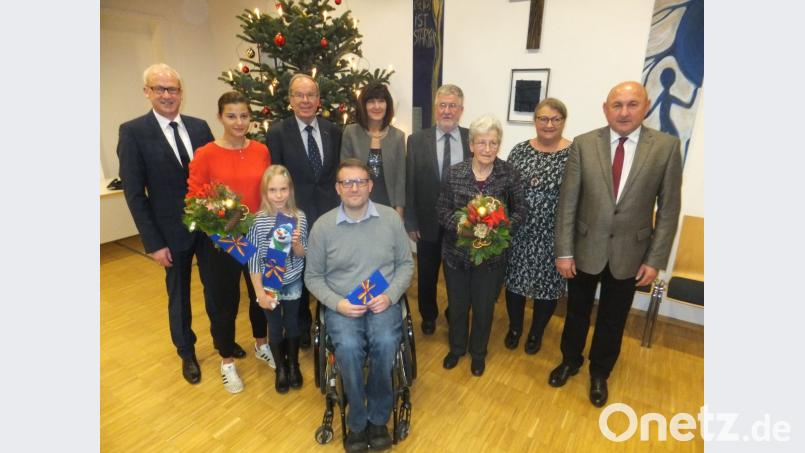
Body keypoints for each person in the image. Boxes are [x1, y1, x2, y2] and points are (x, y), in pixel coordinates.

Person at [550, 81, 682, 407]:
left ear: (646, 106)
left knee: (613, 317)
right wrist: (564, 250)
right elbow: (568, 202)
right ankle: (570, 360)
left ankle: (600, 372)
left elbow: (668, 210)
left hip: (631, 253)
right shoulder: (583, 144)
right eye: (617, 105)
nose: (624, 112)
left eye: (632, 104)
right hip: (583, 247)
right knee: (577, 311)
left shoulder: (665, 147)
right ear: (605, 109)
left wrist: (655, 259)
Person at [305, 159, 414, 453]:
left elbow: (405, 265)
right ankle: (356, 420)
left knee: (386, 340)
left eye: (360, 182)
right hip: (343, 305)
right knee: (350, 348)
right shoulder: (323, 226)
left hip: (382, 301)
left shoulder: (391, 219)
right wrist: (337, 304)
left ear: (370, 185)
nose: (354, 188)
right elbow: (312, 277)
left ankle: (378, 417)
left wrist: (390, 295)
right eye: (347, 183)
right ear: (338, 188)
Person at [117, 63, 215, 385]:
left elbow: (215, 176)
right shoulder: (133, 132)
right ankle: (186, 352)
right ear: (147, 92)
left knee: (216, 289)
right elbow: (134, 193)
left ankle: (223, 342)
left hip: (210, 228)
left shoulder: (200, 127)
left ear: (181, 92)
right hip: (170, 233)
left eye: (172, 88)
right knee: (179, 295)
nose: (167, 95)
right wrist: (154, 243)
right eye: (159, 89)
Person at [188, 91, 271, 393]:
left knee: (261, 295)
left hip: (256, 236)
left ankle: (262, 344)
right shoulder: (206, 153)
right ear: (220, 117)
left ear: (251, 117)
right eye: (231, 116)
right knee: (224, 303)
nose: (239, 122)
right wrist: (220, 233)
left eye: (244, 115)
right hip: (222, 242)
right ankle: (227, 361)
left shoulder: (261, 150)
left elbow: (268, 190)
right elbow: (195, 197)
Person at [436, 115, 527, 377]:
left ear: (499, 145)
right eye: (482, 142)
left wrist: (500, 228)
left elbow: (521, 210)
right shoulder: (454, 173)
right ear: (472, 144)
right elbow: (442, 209)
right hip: (456, 255)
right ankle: (456, 349)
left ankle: (478, 353)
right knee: (458, 304)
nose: (488, 149)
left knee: (484, 307)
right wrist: (462, 226)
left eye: (493, 143)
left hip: (492, 259)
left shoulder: (509, 174)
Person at [267, 73, 342, 349]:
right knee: (296, 273)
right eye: (299, 95)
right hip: (293, 215)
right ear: (290, 100)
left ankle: (330, 322)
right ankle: (300, 329)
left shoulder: (333, 130)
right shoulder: (277, 132)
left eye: (311, 95)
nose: (306, 100)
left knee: (328, 270)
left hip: (328, 214)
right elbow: (275, 176)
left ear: (319, 100)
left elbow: (336, 173)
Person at [504, 98, 573, 355]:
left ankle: (536, 333)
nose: (549, 124)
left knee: (547, 289)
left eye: (556, 119)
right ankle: (514, 328)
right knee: (515, 284)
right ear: (535, 121)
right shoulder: (519, 150)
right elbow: (506, 189)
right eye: (543, 118)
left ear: (564, 122)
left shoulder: (574, 154)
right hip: (519, 232)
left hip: (553, 236)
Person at [404, 84, 471, 335]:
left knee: (459, 274)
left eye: (452, 105)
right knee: (427, 273)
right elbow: (410, 181)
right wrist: (411, 221)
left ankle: (455, 312)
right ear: (435, 109)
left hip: (462, 222)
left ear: (461, 110)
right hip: (427, 220)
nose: (447, 110)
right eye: (442, 105)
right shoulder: (417, 140)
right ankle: (428, 315)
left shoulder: (471, 138)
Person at [247, 165, 308, 394]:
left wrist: (297, 244)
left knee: (292, 324)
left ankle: (293, 364)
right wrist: (259, 293)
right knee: (274, 326)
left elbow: (304, 253)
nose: (279, 195)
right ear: (265, 192)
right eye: (273, 190)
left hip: (292, 280)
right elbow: (253, 260)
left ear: (290, 190)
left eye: (283, 189)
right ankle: (280, 368)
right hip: (269, 283)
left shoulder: (299, 217)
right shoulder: (257, 221)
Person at [341, 82, 406, 215]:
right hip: (357, 205)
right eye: (371, 101)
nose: (377, 106)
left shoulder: (398, 136)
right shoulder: (350, 133)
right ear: (363, 105)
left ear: (387, 105)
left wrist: (399, 212)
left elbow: (401, 179)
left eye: (381, 101)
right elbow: (343, 173)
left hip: (388, 207)